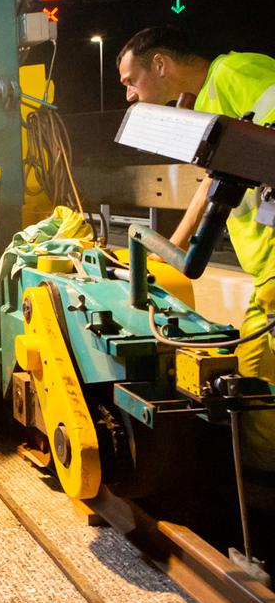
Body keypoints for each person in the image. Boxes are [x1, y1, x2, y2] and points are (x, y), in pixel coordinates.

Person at [117, 25, 275, 471]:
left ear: (161, 64)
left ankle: (260, 504)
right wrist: (171, 247)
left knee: (258, 389)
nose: (129, 94)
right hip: (266, 275)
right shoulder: (209, 109)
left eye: (131, 80)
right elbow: (211, 185)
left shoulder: (233, 71)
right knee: (255, 383)